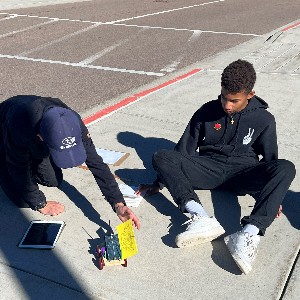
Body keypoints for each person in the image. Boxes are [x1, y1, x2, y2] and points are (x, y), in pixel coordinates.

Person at [136, 59, 295, 274]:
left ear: (250, 95)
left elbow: (270, 161)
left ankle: (249, 233)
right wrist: (160, 182)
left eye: (234, 100)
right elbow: (184, 150)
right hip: (208, 169)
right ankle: (200, 217)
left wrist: (269, 196)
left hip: (243, 174)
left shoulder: (264, 119)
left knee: (286, 168)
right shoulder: (206, 111)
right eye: (223, 98)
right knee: (162, 157)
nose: (227, 105)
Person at [0, 95, 140, 229]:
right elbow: (17, 167)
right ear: (41, 137)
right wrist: (40, 204)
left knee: (53, 181)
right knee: (22, 199)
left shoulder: (72, 121)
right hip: (5, 127)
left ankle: (33, 156)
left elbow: (96, 162)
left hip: (35, 130)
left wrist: (118, 203)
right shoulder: (19, 126)